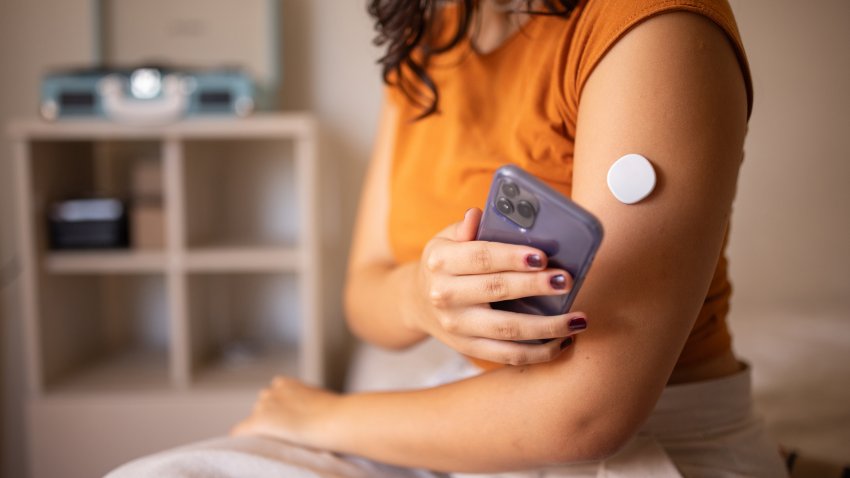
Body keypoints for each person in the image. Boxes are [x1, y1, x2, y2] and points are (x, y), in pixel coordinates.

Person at [109, 0, 789, 476]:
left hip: (650, 442)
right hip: (467, 427)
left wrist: (321, 418)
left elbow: (588, 415)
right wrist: (419, 297)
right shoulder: (428, 40)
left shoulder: (651, 27)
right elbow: (365, 290)